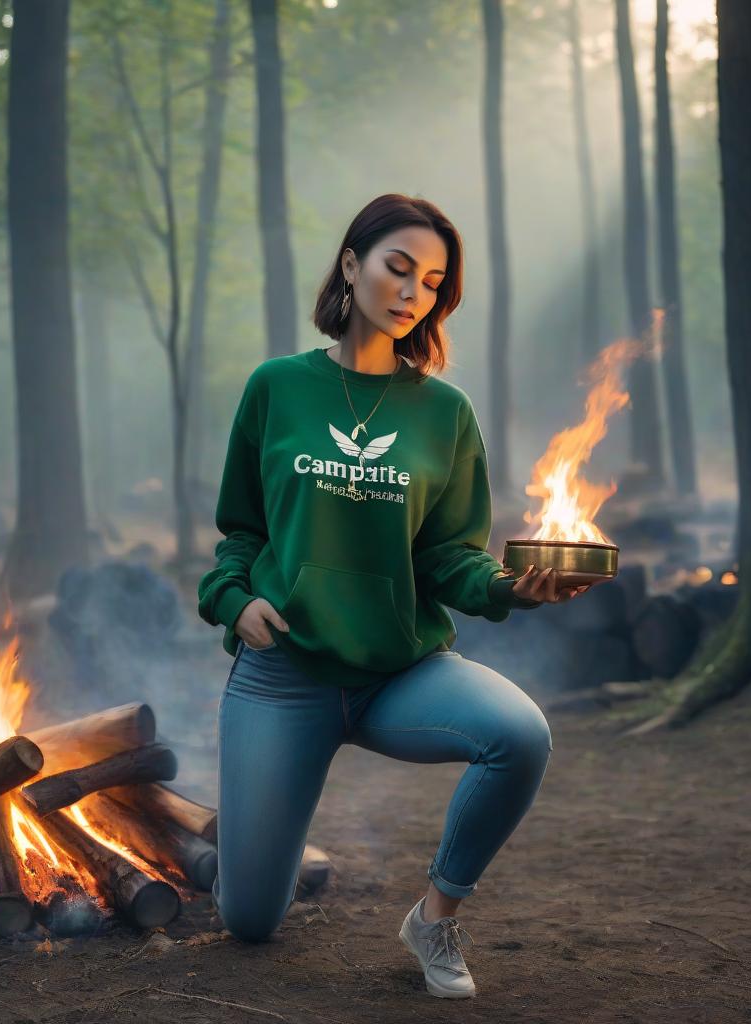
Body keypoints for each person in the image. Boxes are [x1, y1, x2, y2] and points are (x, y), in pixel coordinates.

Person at [198, 193, 590, 999]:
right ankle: (243, 855)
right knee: (249, 922)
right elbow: (238, 528)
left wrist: (511, 589)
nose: (413, 292)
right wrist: (233, 599)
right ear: (352, 265)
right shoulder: (277, 388)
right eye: (398, 267)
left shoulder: (445, 412)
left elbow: (449, 555)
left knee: (518, 733)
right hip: (285, 677)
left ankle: (436, 916)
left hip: (398, 673)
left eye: (433, 281)